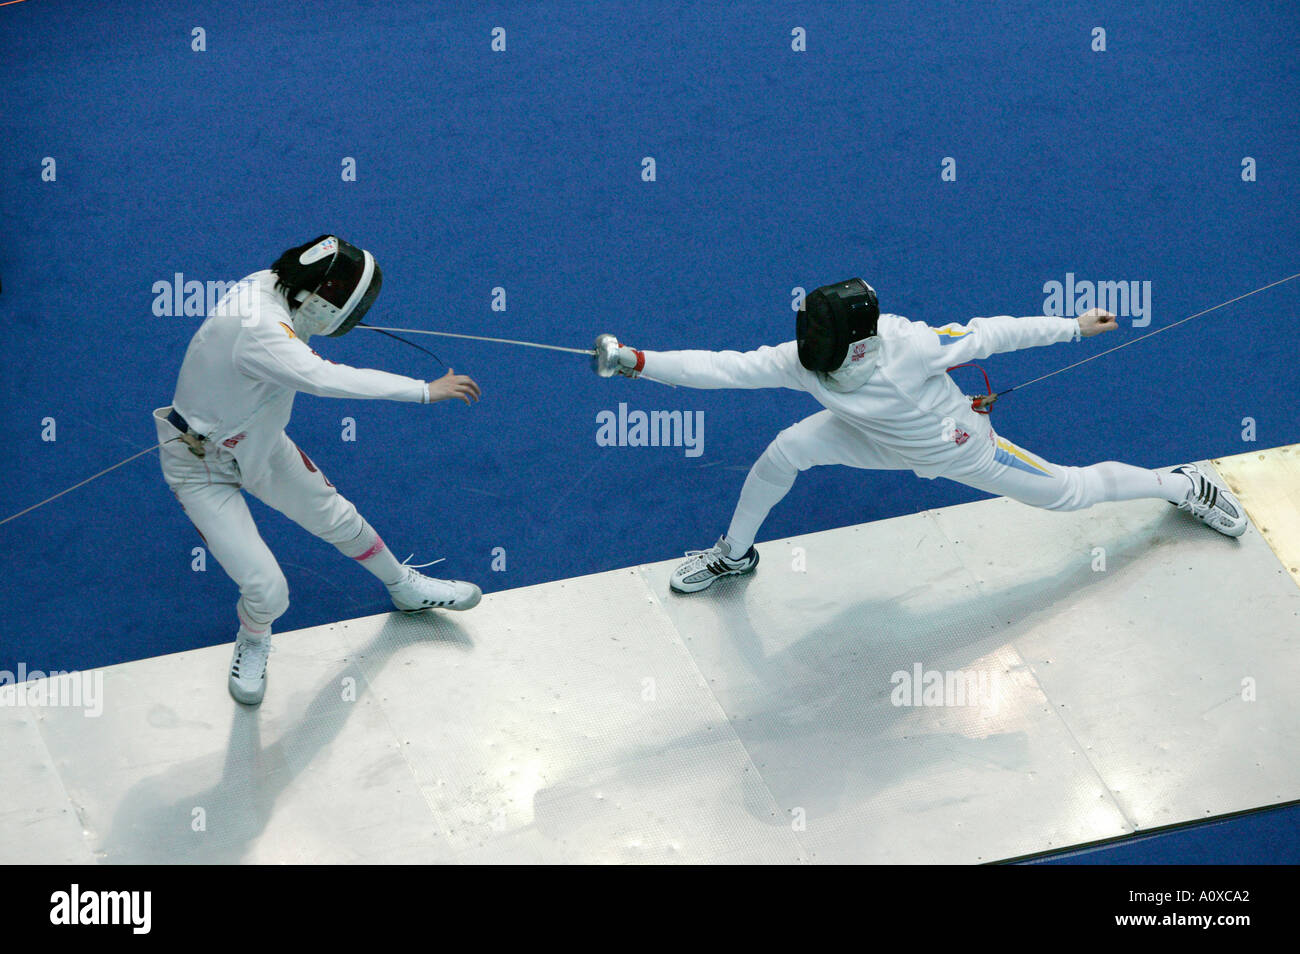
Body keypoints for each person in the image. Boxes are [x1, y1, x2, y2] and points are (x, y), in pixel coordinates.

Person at [593, 278, 1248, 593]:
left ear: (855, 339)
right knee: (785, 451)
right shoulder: (800, 359)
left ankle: (1181, 484)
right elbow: (720, 369)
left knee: (1067, 495)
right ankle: (734, 554)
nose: (806, 348)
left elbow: (995, 332)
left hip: (958, 448)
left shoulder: (911, 346)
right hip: (864, 434)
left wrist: (1073, 326)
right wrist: (635, 360)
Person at [153, 235, 482, 705]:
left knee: (339, 517)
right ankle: (253, 637)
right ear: (317, 296)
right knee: (268, 591)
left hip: (260, 445)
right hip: (201, 467)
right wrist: (424, 390)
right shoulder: (259, 326)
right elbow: (326, 378)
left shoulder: (274, 286)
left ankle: (404, 587)